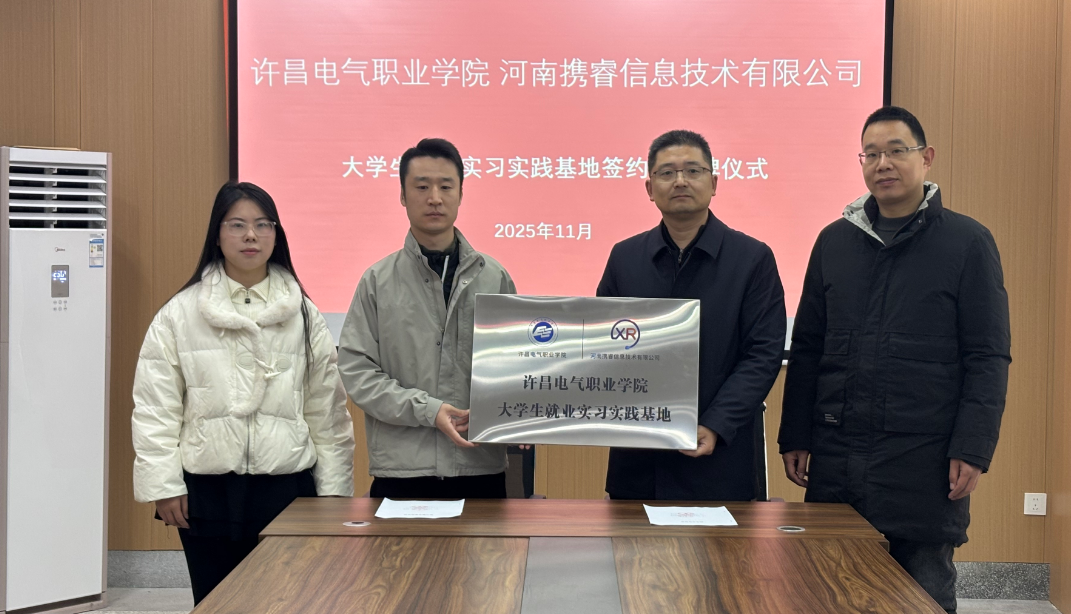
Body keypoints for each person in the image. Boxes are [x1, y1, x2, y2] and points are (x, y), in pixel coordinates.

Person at [778, 106, 1011, 614]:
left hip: (923, 464)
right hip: (838, 459)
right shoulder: (833, 242)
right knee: (829, 595)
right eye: (871, 154)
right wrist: (795, 434)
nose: (883, 163)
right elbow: (810, 346)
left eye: (896, 151)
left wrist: (973, 447)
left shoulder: (967, 242)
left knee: (921, 598)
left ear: (926, 158)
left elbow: (987, 355)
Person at [131, 181, 355, 604]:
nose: (251, 235)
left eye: (262, 224)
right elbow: (155, 407)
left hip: (288, 489)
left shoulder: (304, 314)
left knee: (289, 603)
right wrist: (163, 485)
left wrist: (334, 491)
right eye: (237, 225)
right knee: (215, 602)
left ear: (276, 235)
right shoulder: (180, 313)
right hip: (206, 491)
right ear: (217, 235)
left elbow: (327, 412)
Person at [596, 129, 786, 500]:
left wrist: (716, 423)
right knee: (631, 540)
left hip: (720, 461)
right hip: (638, 460)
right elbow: (602, 347)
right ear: (650, 188)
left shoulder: (752, 258)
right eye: (667, 173)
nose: (680, 181)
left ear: (714, 183)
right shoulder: (625, 257)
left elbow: (762, 354)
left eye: (693, 171)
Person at [338, 138, 517, 499]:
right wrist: (428, 411)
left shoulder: (494, 277)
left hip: (479, 465)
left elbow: (517, 364)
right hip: (402, 471)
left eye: (445, 186)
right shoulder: (377, 281)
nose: (434, 198)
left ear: (461, 194)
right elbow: (357, 372)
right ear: (403, 196)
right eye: (422, 187)